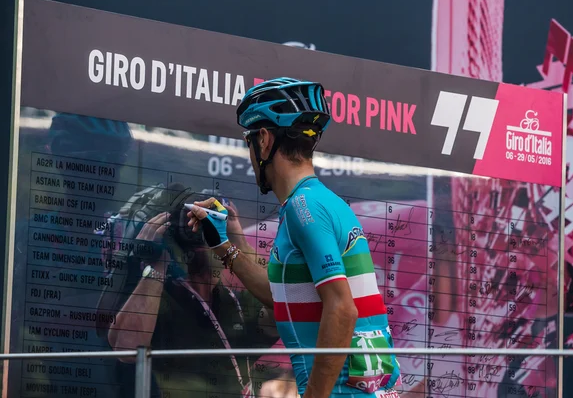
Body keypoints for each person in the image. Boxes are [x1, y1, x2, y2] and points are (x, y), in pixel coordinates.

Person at [186, 77, 402, 397]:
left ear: (263, 140)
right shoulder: (319, 201)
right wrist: (226, 246)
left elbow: (342, 310)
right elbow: (284, 300)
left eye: (248, 143)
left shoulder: (304, 207)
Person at [100, 185, 285, 398]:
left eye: (210, 242)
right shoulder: (159, 301)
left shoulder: (236, 305)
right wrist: (157, 263)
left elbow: (281, 302)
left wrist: (236, 241)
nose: (206, 251)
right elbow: (127, 348)